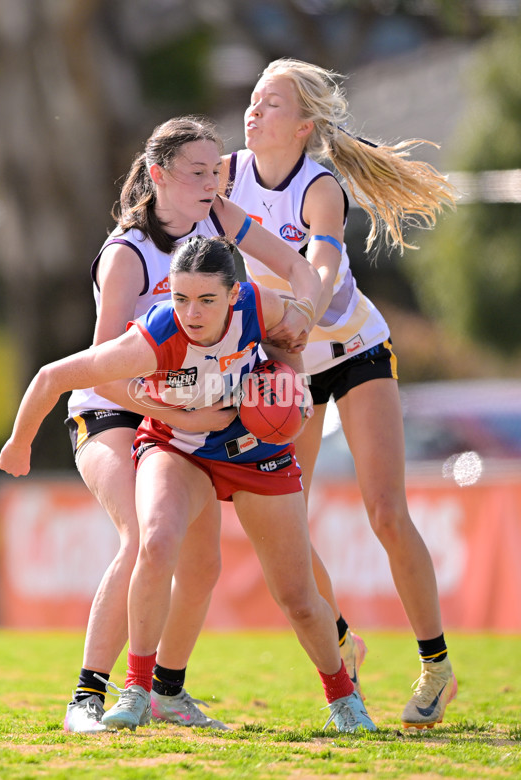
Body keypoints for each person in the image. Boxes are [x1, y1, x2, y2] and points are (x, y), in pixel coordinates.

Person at [0, 235, 377, 734]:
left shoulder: (261, 305)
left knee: (299, 596)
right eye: (179, 298)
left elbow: (292, 349)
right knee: (153, 544)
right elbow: (53, 376)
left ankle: (344, 699)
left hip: (257, 452)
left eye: (205, 299)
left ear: (234, 293)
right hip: (178, 447)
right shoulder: (156, 334)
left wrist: (289, 389)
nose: (191, 313)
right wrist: (18, 444)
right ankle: (137, 691)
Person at [33, 116, 322, 734]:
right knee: (143, 538)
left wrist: (299, 323)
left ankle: (167, 692)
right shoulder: (128, 254)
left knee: (203, 566)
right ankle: (88, 696)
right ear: (158, 176)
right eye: (198, 173)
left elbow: (300, 274)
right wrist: (175, 411)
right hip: (115, 409)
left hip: (189, 416)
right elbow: (100, 374)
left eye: (219, 171)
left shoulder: (219, 223)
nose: (214, 183)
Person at [220, 57, 458, 729]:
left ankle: (436, 666)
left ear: (303, 126)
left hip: (353, 351)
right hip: (287, 368)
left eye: (271, 104)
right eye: (253, 100)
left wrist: (304, 308)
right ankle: (344, 636)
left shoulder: (319, 185)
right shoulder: (230, 174)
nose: (253, 111)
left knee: (385, 511)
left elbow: (320, 263)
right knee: (281, 526)